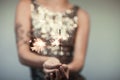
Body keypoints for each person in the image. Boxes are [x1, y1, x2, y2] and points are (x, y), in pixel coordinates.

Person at [15, 0, 90, 80]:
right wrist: (49, 61)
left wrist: (62, 70)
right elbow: (23, 54)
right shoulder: (26, 5)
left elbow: (78, 63)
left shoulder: (81, 15)